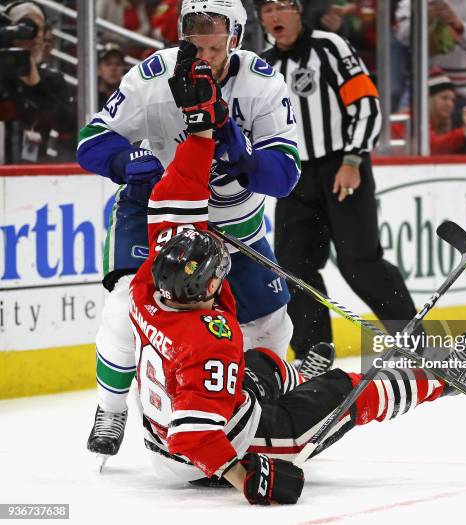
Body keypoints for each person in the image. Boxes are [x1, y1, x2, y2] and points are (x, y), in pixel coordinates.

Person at [130, 56, 466, 503]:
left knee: (262, 363)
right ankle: (444, 377)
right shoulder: (210, 341)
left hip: (159, 432)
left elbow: (179, 188)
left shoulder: (148, 284)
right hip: (213, 450)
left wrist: (203, 126)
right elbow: (192, 436)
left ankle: (299, 372)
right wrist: (244, 476)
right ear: (207, 287)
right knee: (347, 391)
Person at [77, 0, 303, 460]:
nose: (201, 47)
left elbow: (284, 175)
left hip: (233, 223)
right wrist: (124, 160)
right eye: (192, 33)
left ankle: (257, 412)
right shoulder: (151, 76)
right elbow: (90, 141)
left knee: (271, 330)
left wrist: (238, 154)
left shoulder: (262, 82)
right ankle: (111, 407)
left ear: (235, 36)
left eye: (213, 36)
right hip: (161, 213)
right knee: (124, 307)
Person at [256, 0, 418, 360]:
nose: (275, 16)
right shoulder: (264, 65)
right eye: (267, 10)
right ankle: (316, 353)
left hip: (342, 168)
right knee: (294, 269)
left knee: (360, 262)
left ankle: (415, 344)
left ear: (298, 11)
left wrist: (353, 158)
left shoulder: (330, 46)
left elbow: (365, 103)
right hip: (294, 176)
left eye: (282, 7)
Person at [0, 1, 76, 163]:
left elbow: (67, 126)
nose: (33, 37)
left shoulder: (52, 80)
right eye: (24, 27)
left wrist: (36, 85)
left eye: (38, 29)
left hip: (34, 173)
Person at [395, 0, 466, 108]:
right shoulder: (411, 2)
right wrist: (424, 17)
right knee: (402, 124)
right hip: (421, 90)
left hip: (461, 92)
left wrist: (459, 25)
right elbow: (401, 36)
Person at [427, 69, 466, 154]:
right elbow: (432, 146)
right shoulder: (412, 120)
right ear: (428, 99)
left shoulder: (452, 124)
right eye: (444, 98)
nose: (450, 104)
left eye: (452, 100)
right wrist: (463, 133)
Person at [97, 43, 127, 109]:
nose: (113, 68)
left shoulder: (129, 98)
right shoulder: (90, 98)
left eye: (118, 64)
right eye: (108, 64)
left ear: (123, 69)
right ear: (98, 69)